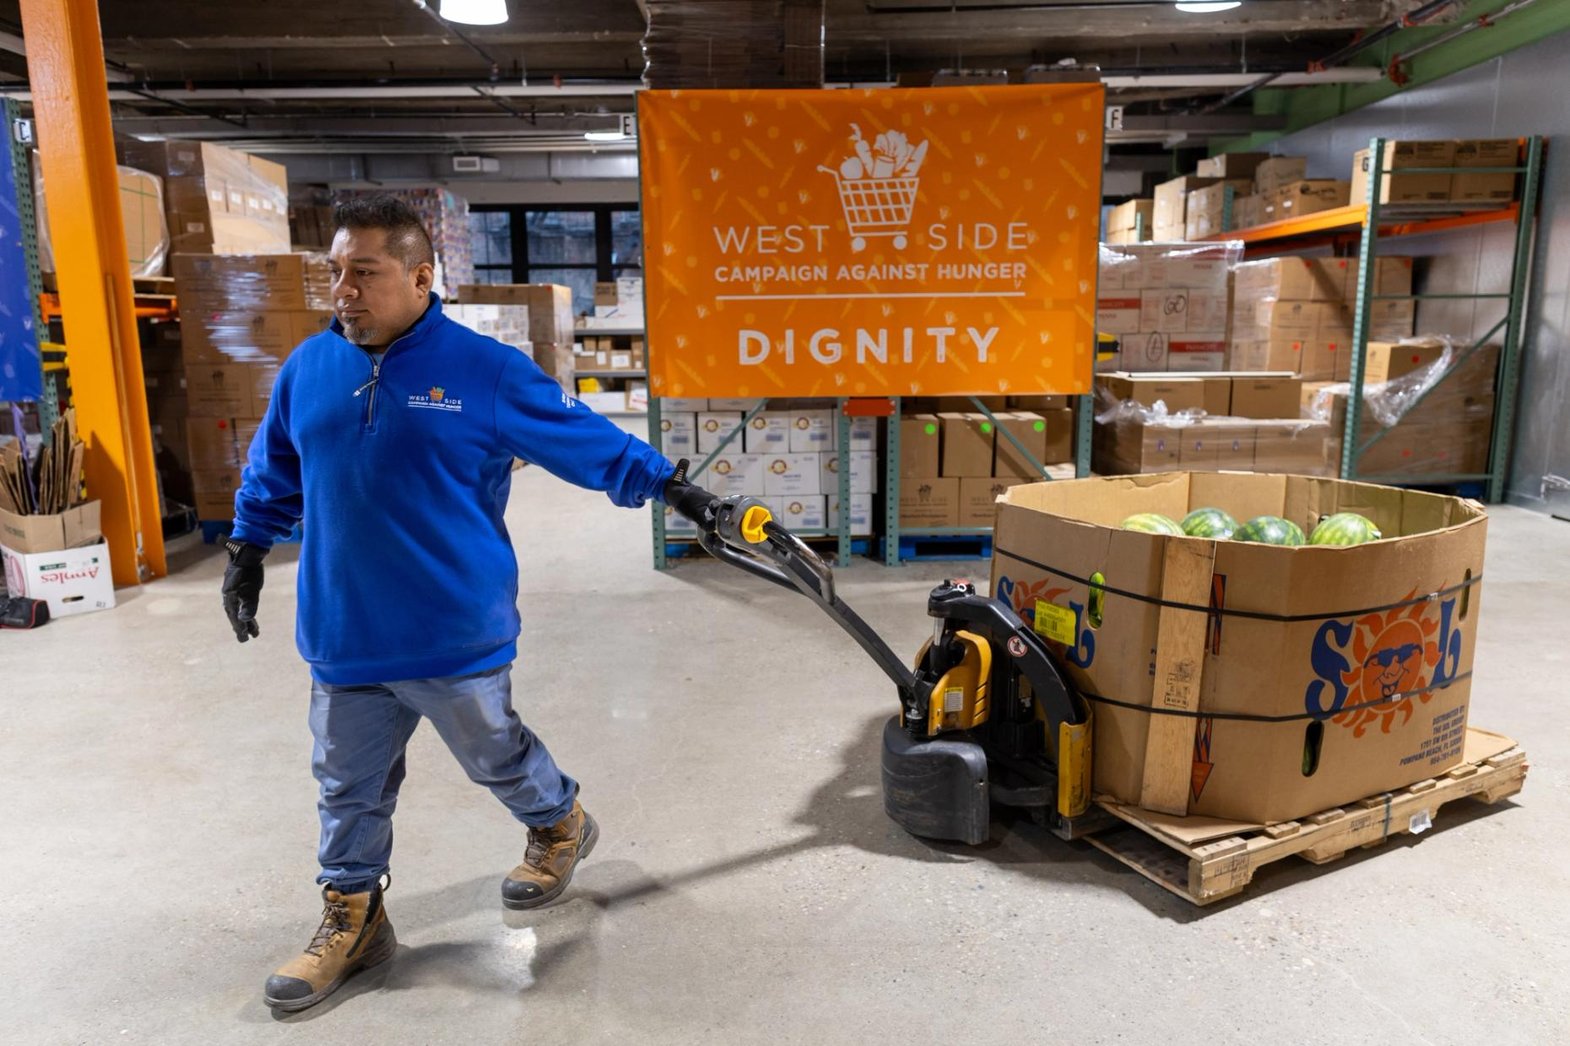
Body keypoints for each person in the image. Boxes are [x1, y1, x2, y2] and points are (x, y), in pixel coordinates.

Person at [221, 195, 677, 1013]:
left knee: (494, 756)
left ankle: (560, 822)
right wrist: (247, 547)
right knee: (345, 787)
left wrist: (673, 486)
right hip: (343, 630)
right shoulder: (309, 368)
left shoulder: (484, 371)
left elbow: (586, 442)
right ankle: (354, 919)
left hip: (451, 629)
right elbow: (275, 466)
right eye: (335, 272)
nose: (343, 291)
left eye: (364, 272)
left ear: (421, 276)